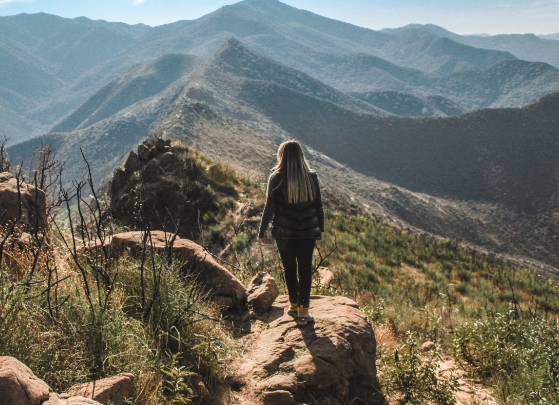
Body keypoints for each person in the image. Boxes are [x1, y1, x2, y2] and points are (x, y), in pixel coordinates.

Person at [258, 140, 324, 324]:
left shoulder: (276, 178)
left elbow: (269, 207)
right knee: (305, 269)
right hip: (308, 232)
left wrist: (261, 231)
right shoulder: (311, 177)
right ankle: (304, 309)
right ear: (301, 156)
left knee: (289, 268)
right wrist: (321, 228)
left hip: (284, 233)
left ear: (282, 156)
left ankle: (294, 304)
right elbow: (318, 205)